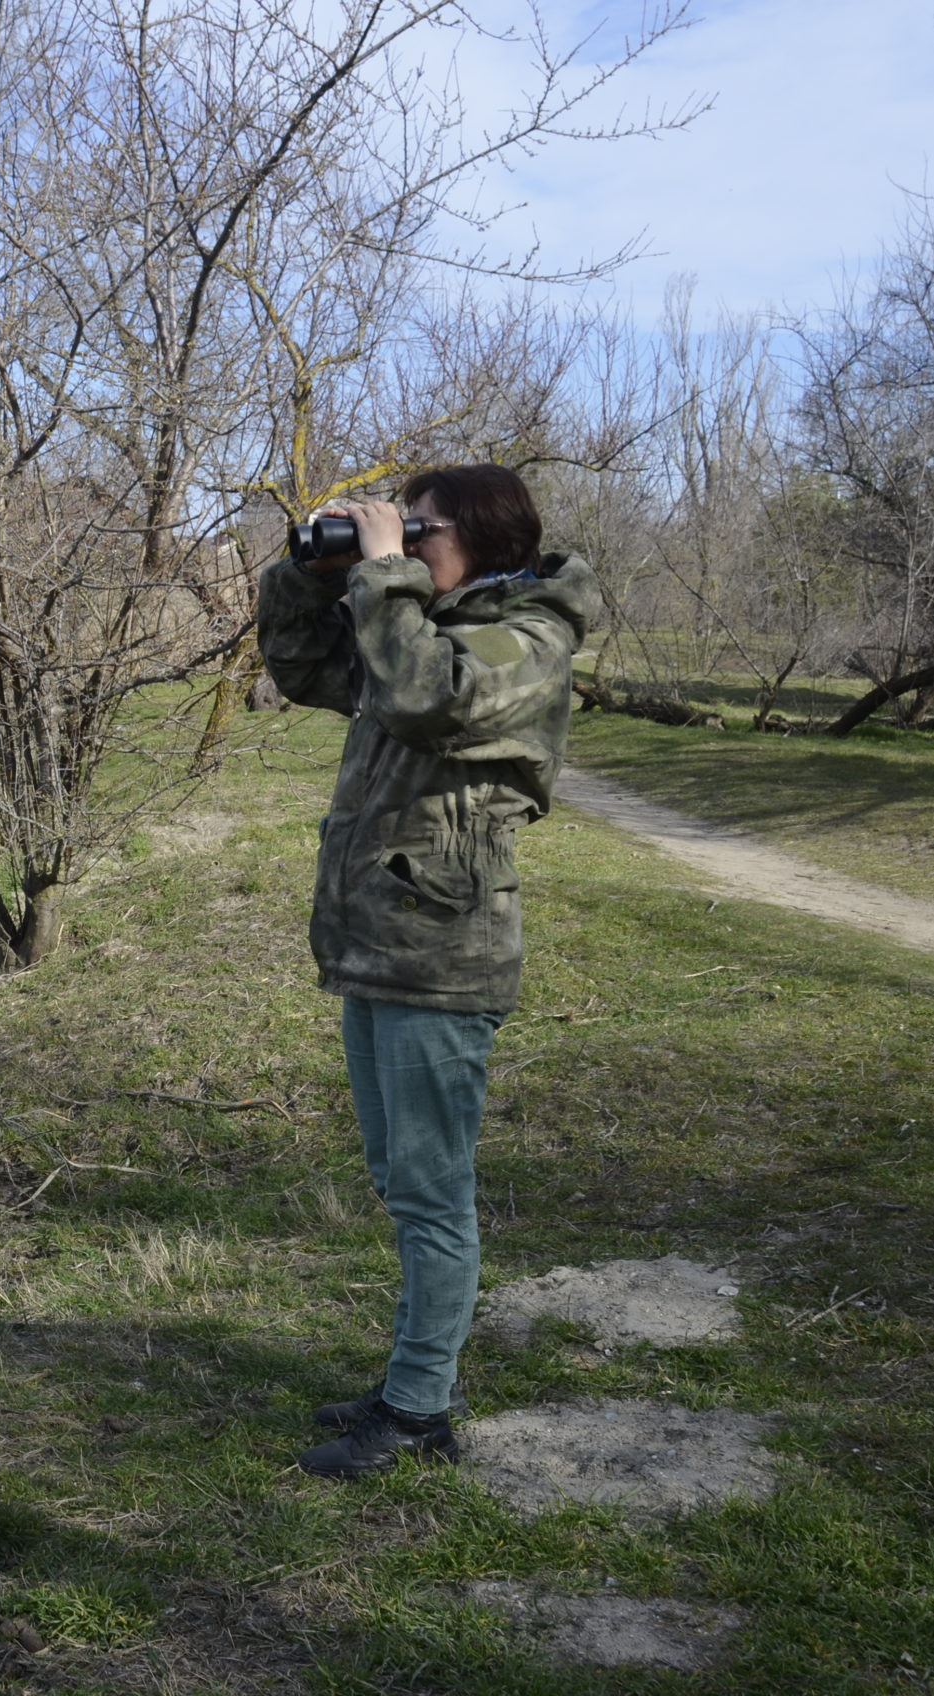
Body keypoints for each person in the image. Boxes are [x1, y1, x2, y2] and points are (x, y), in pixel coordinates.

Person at [253, 464, 601, 1479]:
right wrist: (308, 568)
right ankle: (414, 1380)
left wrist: (386, 572)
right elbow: (299, 662)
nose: (400, 540)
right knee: (401, 1185)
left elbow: (419, 695)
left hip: (442, 953)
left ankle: (415, 1416)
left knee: (432, 1195)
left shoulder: (525, 640)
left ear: (483, 538)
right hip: (378, 944)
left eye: (420, 527)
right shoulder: (429, 619)